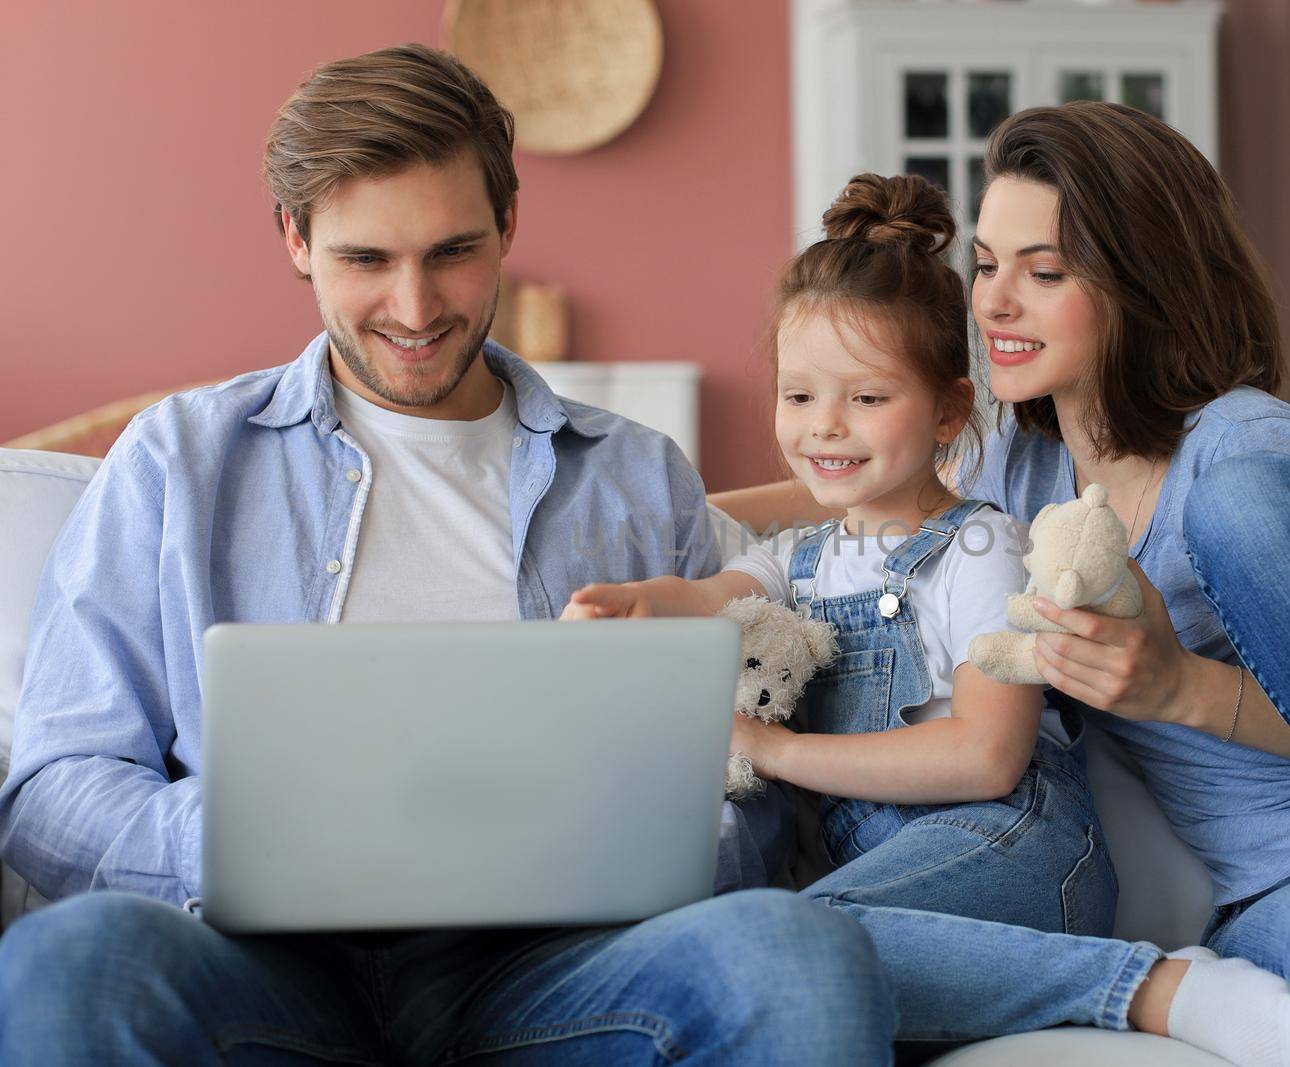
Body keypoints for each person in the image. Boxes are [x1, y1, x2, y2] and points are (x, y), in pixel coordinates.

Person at [0, 44, 895, 1065]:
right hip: (254, 965)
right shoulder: (180, 460)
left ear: (509, 225)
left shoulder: (639, 478)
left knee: (800, 956)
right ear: (296, 239)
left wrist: (643, 841)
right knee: (75, 959)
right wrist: (255, 834)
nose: (417, 308)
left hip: (557, 972)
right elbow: (55, 788)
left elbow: (754, 784)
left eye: (452, 252)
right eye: (366, 260)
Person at [713, 104, 1290, 1066]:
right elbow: (854, 477)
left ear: (1142, 284)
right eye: (987, 264)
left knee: (1245, 502)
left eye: (1043, 272)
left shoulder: (1252, 448)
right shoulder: (1020, 463)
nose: (996, 304)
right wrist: (675, 514)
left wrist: (1181, 688)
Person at [565, 173, 1290, 1065]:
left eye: (867, 398)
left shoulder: (978, 546)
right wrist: (632, 603)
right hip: (903, 881)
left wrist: (770, 749)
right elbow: (705, 598)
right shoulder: (796, 555)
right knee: (758, 959)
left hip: (1016, 848)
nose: (824, 427)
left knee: (785, 944)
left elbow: (987, 754)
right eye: (799, 395)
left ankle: (1152, 986)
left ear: (951, 412)